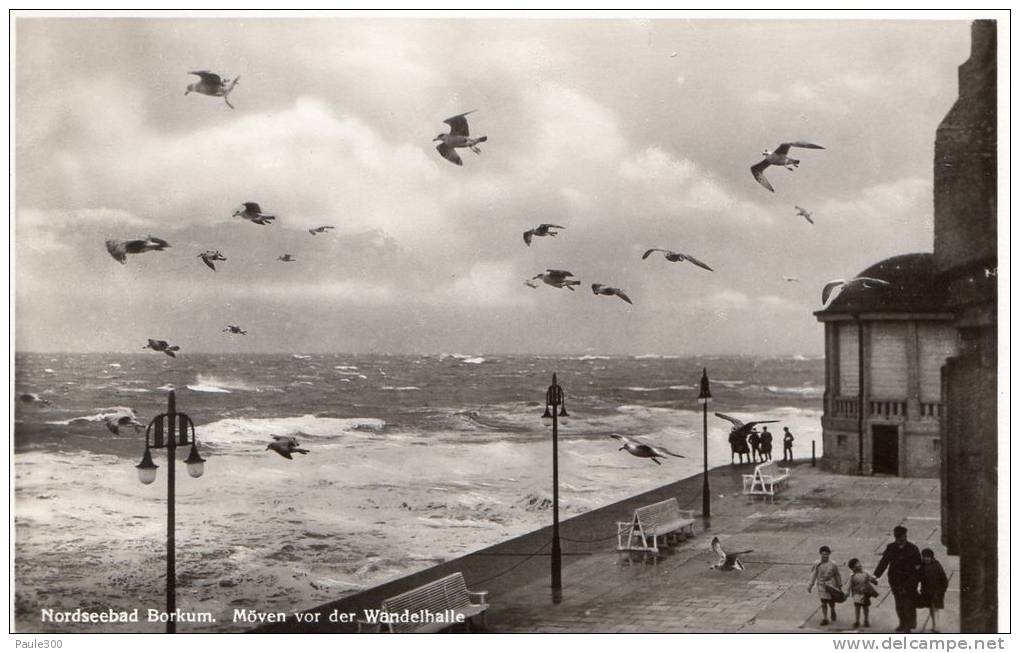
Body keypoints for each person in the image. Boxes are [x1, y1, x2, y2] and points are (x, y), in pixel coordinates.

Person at [874, 525, 922, 633]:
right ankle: (902, 623)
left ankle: (908, 627)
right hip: (895, 581)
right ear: (895, 537)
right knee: (899, 604)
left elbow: (918, 567)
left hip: (909, 582)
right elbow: (884, 562)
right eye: (898, 538)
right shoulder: (891, 547)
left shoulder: (913, 549)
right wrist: (876, 575)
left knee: (908, 605)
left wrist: (916, 581)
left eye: (902, 537)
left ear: (906, 536)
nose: (900, 540)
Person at [808, 545, 842, 626]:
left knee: (831, 602)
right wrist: (810, 585)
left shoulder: (833, 564)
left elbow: (837, 575)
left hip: (831, 585)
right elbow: (813, 574)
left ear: (829, 554)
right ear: (820, 554)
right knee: (823, 602)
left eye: (827, 554)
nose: (825, 555)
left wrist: (839, 585)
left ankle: (833, 610)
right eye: (823, 554)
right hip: (821, 586)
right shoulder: (817, 563)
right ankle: (825, 618)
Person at [919, 548, 949, 632]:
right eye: (924, 557)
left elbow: (944, 580)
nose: (926, 559)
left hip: (937, 591)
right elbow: (918, 576)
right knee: (931, 609)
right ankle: (934, 625)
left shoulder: (937, 565)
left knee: (935, 608)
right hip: (927, 591)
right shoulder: (922, 566)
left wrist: (942, 590)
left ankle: (937, 626)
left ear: (931, 557)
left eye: (927, 557)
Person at [846, 557, 879, 628]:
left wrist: (874, 581)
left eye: (859, 564)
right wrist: (847, 593)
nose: (859, 566)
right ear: (853, 568)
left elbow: (871, 578)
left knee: (865, 607)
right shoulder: (852, 575)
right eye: (856, 566)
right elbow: (849, 584)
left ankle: (866, 620)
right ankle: (857, 621)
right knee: (857, 607)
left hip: (865, 594)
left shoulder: (866, 573)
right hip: (856, 594)